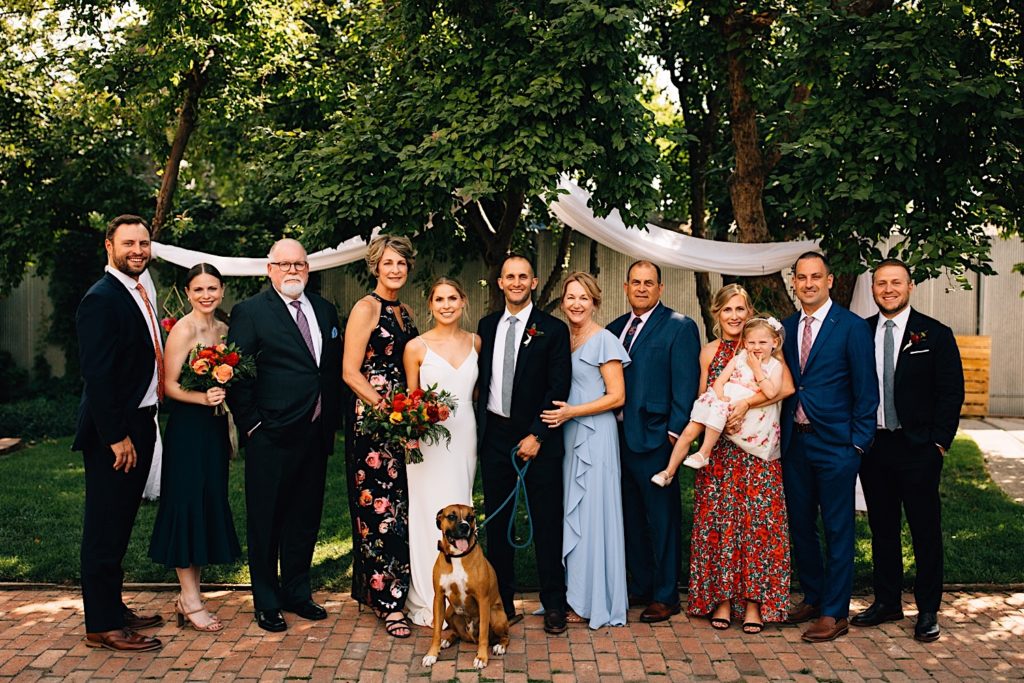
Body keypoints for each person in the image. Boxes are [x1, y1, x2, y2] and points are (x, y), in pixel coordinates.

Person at [227, 238, 343, 632]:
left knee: (304, 518)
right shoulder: (251, 312)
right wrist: (252, 425)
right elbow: (237, 374)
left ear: (308, 269)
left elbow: (325, 370)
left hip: (315, 431)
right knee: (266, 521)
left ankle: (297, 592)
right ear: (270, 268)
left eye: (299, 264)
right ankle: (266, 600)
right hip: (270, 435)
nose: (293, 270)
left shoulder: (325, 309)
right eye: (285, 264)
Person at [851, 258, 964, 643]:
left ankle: (928, 608)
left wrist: (939, 443)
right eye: (881, 283)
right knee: (882, 528)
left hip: (918, 447)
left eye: (895, 282)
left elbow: (951, 392)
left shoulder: (934, 334)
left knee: (924, 529)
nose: (888, 289)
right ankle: (887, 601)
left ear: (910, 286)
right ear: (873, 289)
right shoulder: (860, 332)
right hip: (875, 444)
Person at [74, 214, 164, 652]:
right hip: (115, 433)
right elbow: (98, 376)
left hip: (140, 422)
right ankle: (102, 625)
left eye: (144, 243)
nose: (138, 250)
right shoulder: (101, 298)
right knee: (104, 529)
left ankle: (113, 606)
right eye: (128, 242)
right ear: (108, 246)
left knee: (121, 523)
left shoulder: (138, 290)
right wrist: (115, 437)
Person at [781, 252, 878, 643]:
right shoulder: (786, 328)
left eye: (815, 277)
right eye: (801, 278)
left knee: (838, 529)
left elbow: (866, 391)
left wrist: (856, 444)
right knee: (801, 525)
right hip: (794, 444)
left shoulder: (851, 327)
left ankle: (835, 612)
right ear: (794, 282)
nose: (808, 284)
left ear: (830, 280)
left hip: (836, 445)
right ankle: (814, 595)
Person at [686, 284, 794, 634]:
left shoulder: (762, 347)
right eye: (727, 310)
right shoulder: (709, 352)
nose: (734, 316)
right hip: (720, 452)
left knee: (757, 526)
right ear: (717, 314)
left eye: (740, 310)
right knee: (720, 525)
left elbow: (786, 389)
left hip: (757, 454)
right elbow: (704, 395)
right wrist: (720, 413)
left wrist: (746, 403)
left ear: (750, 314)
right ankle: (720, 599)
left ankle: (753, 604)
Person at [476, 255, 572, 635]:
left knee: (546, 522)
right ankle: (503, 600)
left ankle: (553, 604)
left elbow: (558, 387)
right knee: (498, 525)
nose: (516, 282)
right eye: (509, 276)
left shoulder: (552, 329)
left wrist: (537, 435)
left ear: (533, 282)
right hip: (495, 436)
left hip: (538, 437)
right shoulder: (486, 326)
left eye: (523, 277)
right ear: (499, 283)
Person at [148, 263, 241, 632]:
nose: (206, 295)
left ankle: (190, 595)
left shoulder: (224, 329)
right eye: (199, 289)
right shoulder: (183, 331)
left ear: (222, 291)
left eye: (213, 289)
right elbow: (166, 386)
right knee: (186, 505)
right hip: (188, 429)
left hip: (215, 429)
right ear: (188, 293)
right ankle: (190, 598)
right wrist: (202, 397)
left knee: (206, 504)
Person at [607, 260, 700, 623]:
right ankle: (642, 584)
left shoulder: (679, 327)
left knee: (662, 521)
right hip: (617, 440)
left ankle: (666, 594)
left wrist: (675, 437)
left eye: (649, 283)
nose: (642, 288)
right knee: (630, 518)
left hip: (659, 439)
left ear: (660, 288)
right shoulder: (615, 329)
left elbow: (686, 386)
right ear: (626, 287)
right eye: (635, 282)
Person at [539, 273, 629, 629]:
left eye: (584, 298)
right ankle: (572, 595)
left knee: (593, 516)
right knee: (572, 514)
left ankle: (594, 600)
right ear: (562, 302)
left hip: (595, 434)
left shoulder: (604, 339)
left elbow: (617, 396)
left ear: (595, 302)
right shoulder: (564, 338)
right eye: (570, 297)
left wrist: (572, 412)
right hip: (568, 434)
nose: (576, 304)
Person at [342, 235, 419, 638]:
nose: (394, 270)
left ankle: (401, 590)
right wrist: (387, 410)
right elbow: (350, 372)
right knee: (380, 511)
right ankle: (386, 602)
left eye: (401, 264)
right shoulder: (366, 308)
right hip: (374, 423)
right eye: (388, 263)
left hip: (403, 420)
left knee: (403, 508)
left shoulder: (404, 311)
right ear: (375, 266)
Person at [402, 277, 480, 627]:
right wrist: (412, 436)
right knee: (425, 514)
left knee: (461, 510)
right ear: (430, 305)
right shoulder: (416, 347)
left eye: (453, 297)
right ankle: (426, 594)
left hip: (465, 435)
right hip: (428, 442)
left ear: (463, 301)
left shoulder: (478, 342)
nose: (446, 304)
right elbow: (410, 398)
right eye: (439, 299)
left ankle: (460, 592)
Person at [653, 317, 786, 481]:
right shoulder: (739, 358)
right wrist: (720, 396)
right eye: (752, 342)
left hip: (742, 410)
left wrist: (757, 369)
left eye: (762, 343)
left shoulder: (775, 366)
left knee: (717, 414)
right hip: (723, 400)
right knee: (689, 431)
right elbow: (720, 381)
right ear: (744, 343)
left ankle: (704, 452)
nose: (756, 347)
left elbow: (772, 392)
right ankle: (668, 471)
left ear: (774, 342)